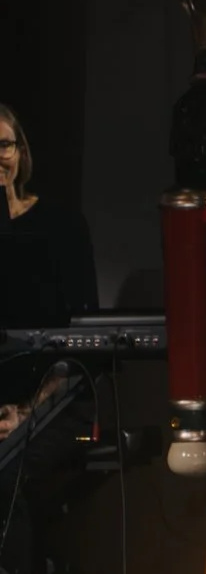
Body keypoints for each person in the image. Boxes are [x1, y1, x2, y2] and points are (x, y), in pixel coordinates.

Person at [0, 103, 99, 439]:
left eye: (4, 145)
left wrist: (27, 411)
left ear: (21, 152)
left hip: (47, 401)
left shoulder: (63, 225)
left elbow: (83, 341)